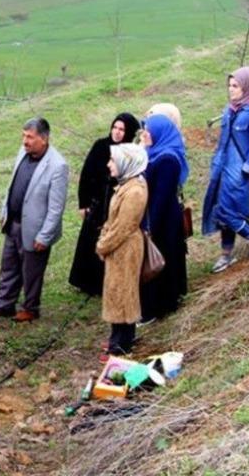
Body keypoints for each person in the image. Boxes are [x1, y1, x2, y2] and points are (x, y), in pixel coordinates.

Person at [0, 117, 69, 323]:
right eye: (23, 136)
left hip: (36, 229)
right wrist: (5, 212)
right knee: (9, 266)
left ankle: (30, 308)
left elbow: (56, 208)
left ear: (44, 139)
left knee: (31, 272)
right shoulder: (22, 153)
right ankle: (4, 305)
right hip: (14, 223)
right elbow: (12, 186)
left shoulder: (57, 166)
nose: (25, 141)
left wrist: (45, 236)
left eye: (30, 137)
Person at [202, 66, 249, 273]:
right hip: (222, 169)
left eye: (236, 86)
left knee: (227, 210)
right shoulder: (229, 110)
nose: (231, 90)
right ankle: (226, 254)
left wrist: (247, 168)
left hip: (239, 173)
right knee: (221, 212)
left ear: (248, 87)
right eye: (230, 85)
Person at [69, 112, 140, 296]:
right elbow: (86, 174)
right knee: (90, 241)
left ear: (129, 132)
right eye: (115, 127)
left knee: (109, 240)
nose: (117, 132)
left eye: (122, 129)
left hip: (116, 204)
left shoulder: (131, 151)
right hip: (96, 203)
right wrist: (83, 203)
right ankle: (84, 282)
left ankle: (104, 283)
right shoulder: (101, 146)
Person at [96, 145, 148, 356]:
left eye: (113, 160)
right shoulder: (127, 185)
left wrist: (103, 245)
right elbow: (112, 221)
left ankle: (121, 343)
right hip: (118, 247)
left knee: (124, 292)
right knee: (116, 291)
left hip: (125, 249)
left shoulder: (135, 191)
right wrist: (104, 238)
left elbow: (123, 227)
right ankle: (117, 337)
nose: (109, 165)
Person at [139, 114, 189, 323]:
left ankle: (160, 306)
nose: (144, 134)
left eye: (147, 130)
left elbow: (161, 195)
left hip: (163, 221)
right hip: (157, 217)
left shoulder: (167, 158)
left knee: (158, 261)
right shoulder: (154, 153)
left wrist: (150, 225)